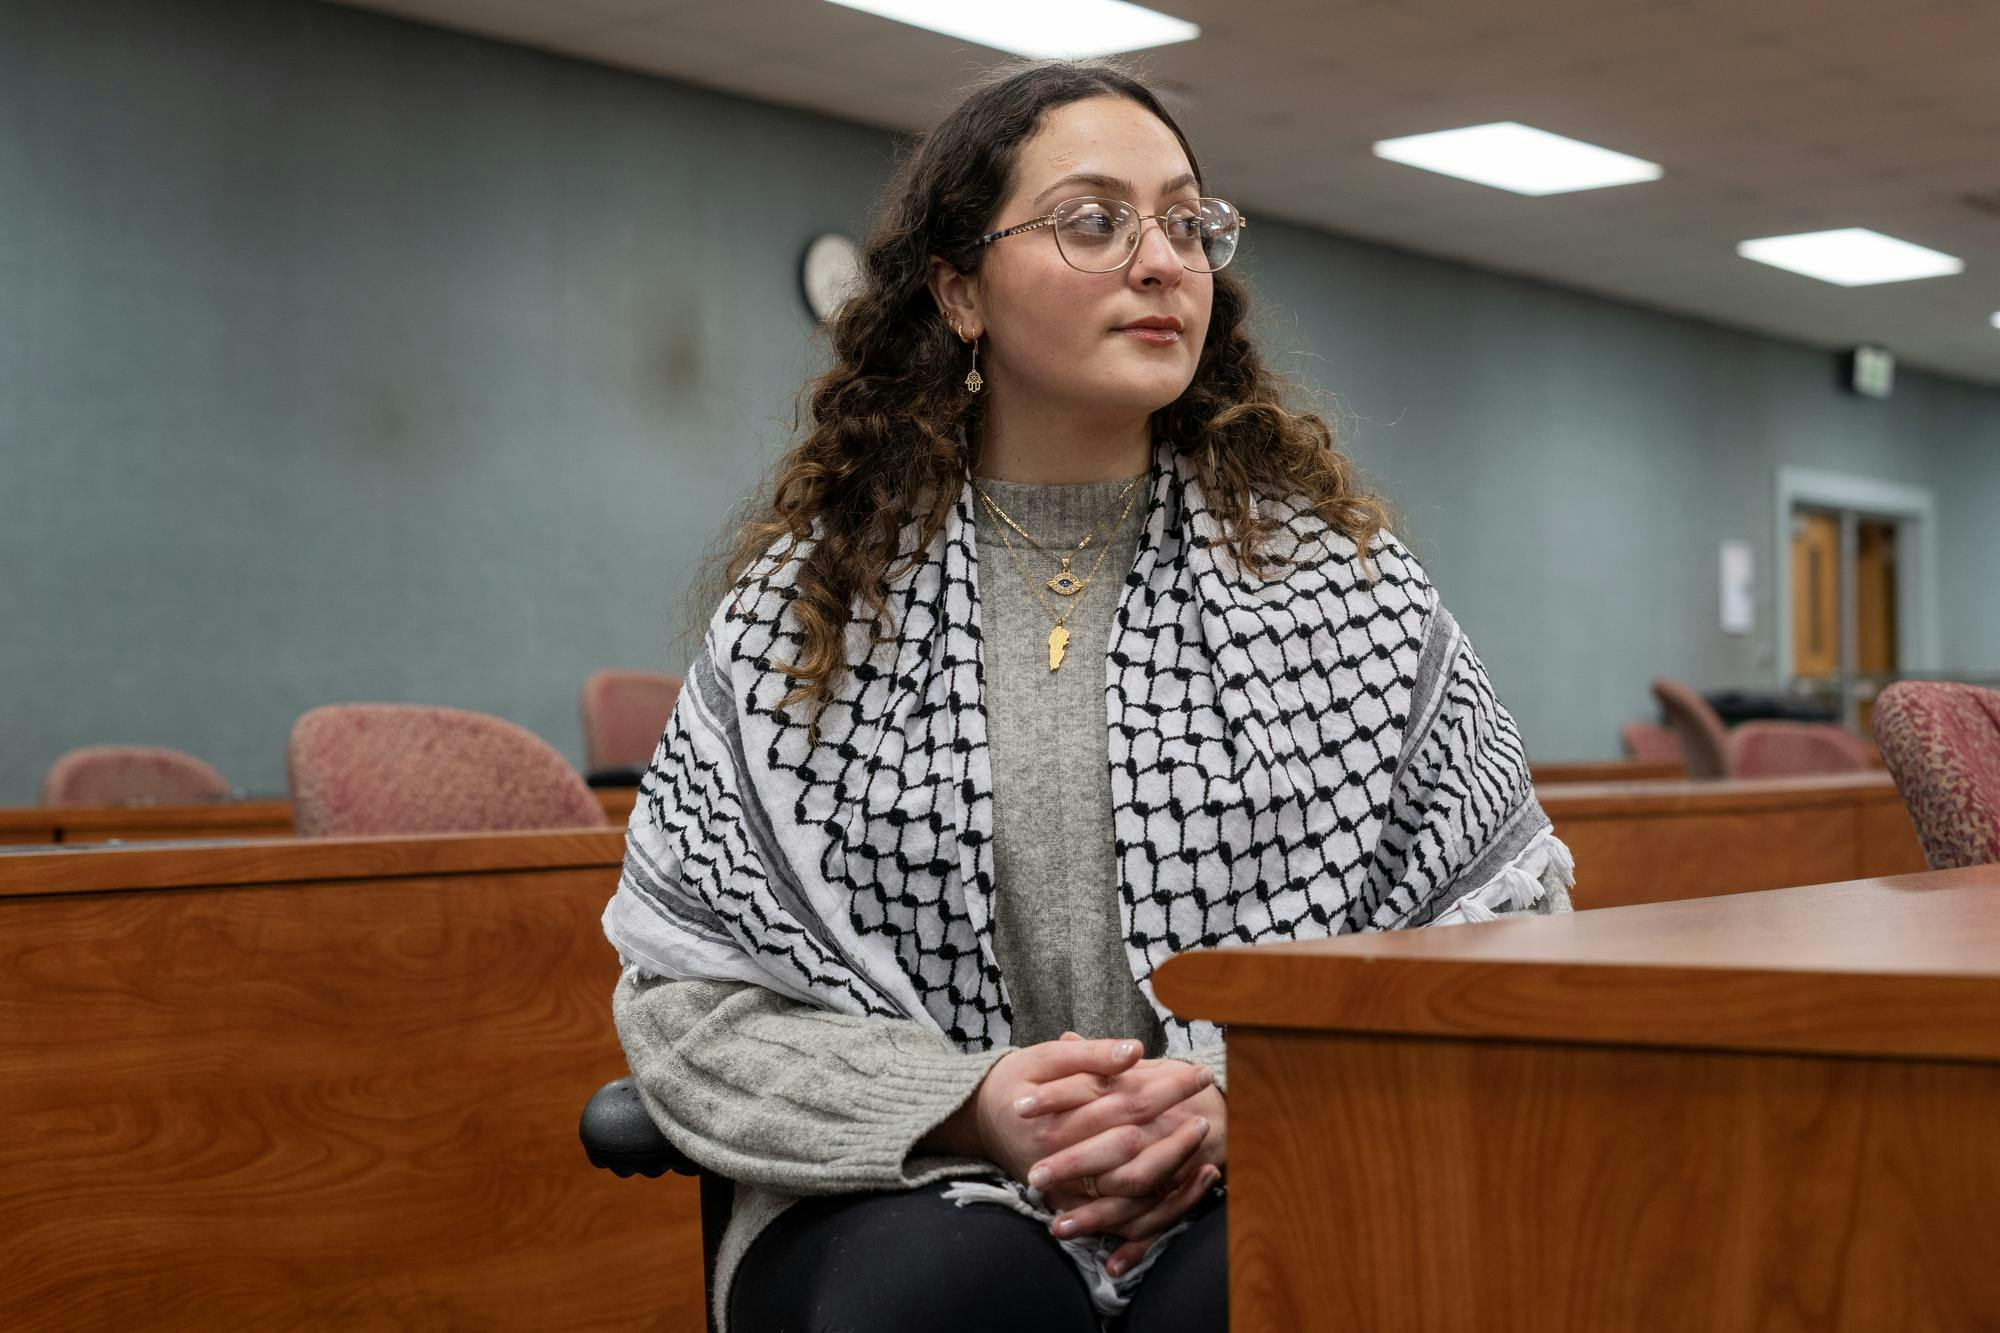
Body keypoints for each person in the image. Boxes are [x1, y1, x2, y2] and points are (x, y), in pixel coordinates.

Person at [604, 57, 1575, 1333]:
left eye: (1186, 221)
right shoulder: (806, 610)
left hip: (1271, 1141)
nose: (1162, 259)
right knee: (939, 1303)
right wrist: (969, 1102)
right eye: (1092, 220)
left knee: (1285, 1289)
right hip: (905, 1175)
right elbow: (693, 1003)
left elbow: (1499, 921)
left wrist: (1229, 1091)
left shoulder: (1345, 586)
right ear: (957, 290)